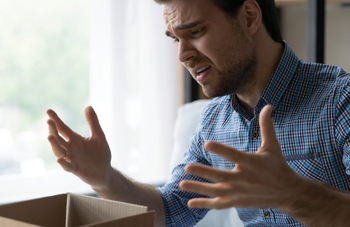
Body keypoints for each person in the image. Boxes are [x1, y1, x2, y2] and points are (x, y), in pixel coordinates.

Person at [46, 0, 350, 226]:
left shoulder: (340, 101)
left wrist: (293, 194)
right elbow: (171, 210)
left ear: (249, 17)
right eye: (176, 39)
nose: (183, 55)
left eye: (195, 31)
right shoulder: (213, 122)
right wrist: (105, 179)